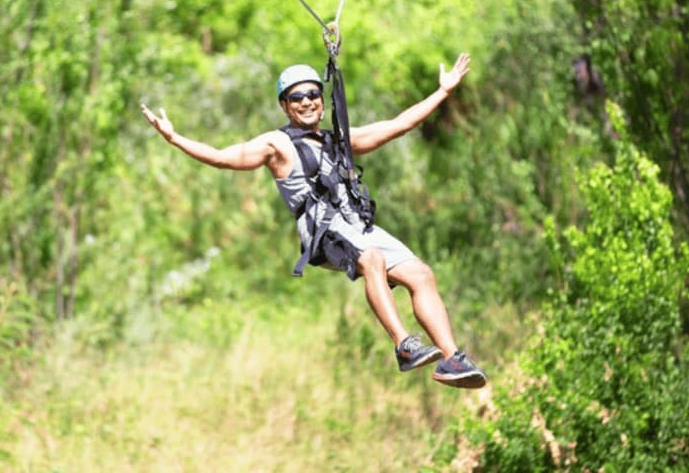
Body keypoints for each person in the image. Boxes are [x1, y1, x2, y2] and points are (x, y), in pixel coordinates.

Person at [141, 53, 486, 388]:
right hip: (324, 230)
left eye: (312, 94)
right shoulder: (277, 144)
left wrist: (443, 91)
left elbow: (397, 126)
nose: (306, 102)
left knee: (421, 273)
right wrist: (175, 138)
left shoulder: (338, 140)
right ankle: (403, 344)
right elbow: (223, 158)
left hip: (357, 225)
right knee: (372, 259)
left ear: (322, 100)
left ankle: (452, 359)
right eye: (296, 97)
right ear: (285, 105)